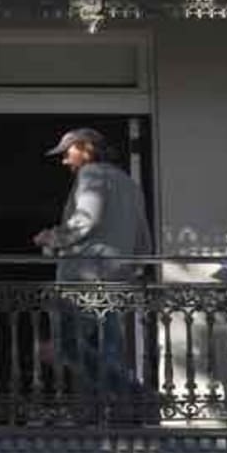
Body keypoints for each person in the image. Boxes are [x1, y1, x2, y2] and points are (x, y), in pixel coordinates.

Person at [33, 127, 152, 400]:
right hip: (117, 276)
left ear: (86, 149)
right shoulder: (127, 181)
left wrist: (51, 238)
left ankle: (132, 396)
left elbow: (86, 219)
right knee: (108, 347)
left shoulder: (91, 174)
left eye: (67, 152)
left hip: (85, 276)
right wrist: (134, 268)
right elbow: (142, 233)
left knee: (69, 345)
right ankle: (114, 410)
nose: (64, 160)